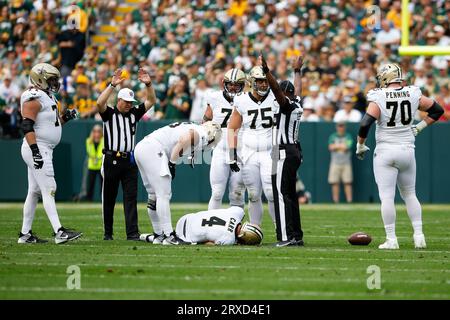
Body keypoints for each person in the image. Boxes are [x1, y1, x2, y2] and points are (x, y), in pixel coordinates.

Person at [356, 63, 444, 250]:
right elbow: (437, 110)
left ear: (386, 77)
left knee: (387, 197)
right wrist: (419, 127)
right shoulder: (412, 92)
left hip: (386, 151)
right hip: (407, 150)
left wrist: (360, 144)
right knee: (410, 194)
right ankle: (419, 236)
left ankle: (391, 239)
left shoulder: (378, 96)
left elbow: (365, 123)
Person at [18, 63, 82, 244]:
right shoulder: (33, 96)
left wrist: (66, 118)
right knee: (49, 188)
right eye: (51, 79)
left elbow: (51, 125)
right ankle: (59, 232)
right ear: (39, 79)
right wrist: (35, 151)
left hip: (43, 147)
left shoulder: (48, 97)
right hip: (37, 147)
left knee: (34, 192)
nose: (55, 83)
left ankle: (25, 234)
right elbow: (26, 125)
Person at [134, 121, 222, 245]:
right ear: (211, 135)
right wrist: (172, 163)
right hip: (154, 149)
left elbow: (186, 139)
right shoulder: (200, 134)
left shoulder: (195, 128)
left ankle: (158, 235)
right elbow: (186, 138)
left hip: (142, 147)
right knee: (163, 194)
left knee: (153, 195)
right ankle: (169, 236)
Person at [96, 67, 156, 241]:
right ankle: (108, 233)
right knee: (109, 198)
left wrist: (148, 84)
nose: (130, 104)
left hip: (129, 161)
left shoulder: (134, 114)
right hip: (111, 159)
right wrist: (111, 85)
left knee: (131, 198)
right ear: (119, 100)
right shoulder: (110, 113)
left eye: (131, 102)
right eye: (127, 101)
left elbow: (151, 100)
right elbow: (99, 103)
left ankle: (132, 233)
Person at [260, 53, 305, 247]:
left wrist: (267, 72)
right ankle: (296, 234)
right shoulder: (297, 102)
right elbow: (297, 88)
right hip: (293, 151)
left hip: (284, 151)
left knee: (281, 193)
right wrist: (297, 71)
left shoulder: (286, 105)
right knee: (291, 194)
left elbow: (278, 91)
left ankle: (287, 237)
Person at [227, 65, 276, 227]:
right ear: (252, 81)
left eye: (266, 81)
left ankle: (281, 230)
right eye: (260, 81)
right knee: (253, 194)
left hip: (270, 152)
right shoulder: (241, 100)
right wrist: (232, 154)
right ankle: (255, 228)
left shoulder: (276, 97)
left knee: (271, 193)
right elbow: (232, 128)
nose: (263, 84)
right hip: (249, 153)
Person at [203, 68, 246, 210]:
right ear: (224, 83)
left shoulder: (247, 99)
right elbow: (206, 119)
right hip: (220, 149)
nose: (233, 87)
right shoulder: (214, 97)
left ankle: (236, 226)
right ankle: (211, 226)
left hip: (240, 150)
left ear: (243, 85)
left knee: (237, 194)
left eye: (236, 85)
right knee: (216, 193)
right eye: (230, 84)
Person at [164, 206, 263, 245]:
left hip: (186, 217)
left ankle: (155, 236)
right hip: (185, 237)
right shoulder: (229, 239)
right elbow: (209, 244)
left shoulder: (237, 212)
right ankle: (155, 238)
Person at [328, 122, 354, 203]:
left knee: (348, 182)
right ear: (337, 127)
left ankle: (349, 200)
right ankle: (335, 200)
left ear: (344, 127)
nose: (341, 128)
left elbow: (347, 147)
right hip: (335, 162)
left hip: (346, 163)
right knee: (335, 182)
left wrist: (336, 146)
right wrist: (341, 146)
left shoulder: (348, 136)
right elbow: (330, 147)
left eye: (342, 126)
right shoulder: (333, 136)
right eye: (339, 126)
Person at [84, 124, 103, 201]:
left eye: (98, 131)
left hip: (101, 166)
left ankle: (103, 200)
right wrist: (94, 159)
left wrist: (98, 159)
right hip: (92, 166)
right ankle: (89, 200)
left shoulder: (104, 140)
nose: (97, 133)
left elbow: (102, 153)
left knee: (103, 185)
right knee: (90, 185)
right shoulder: (88, 141)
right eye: (95, 131)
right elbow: (89, 152)